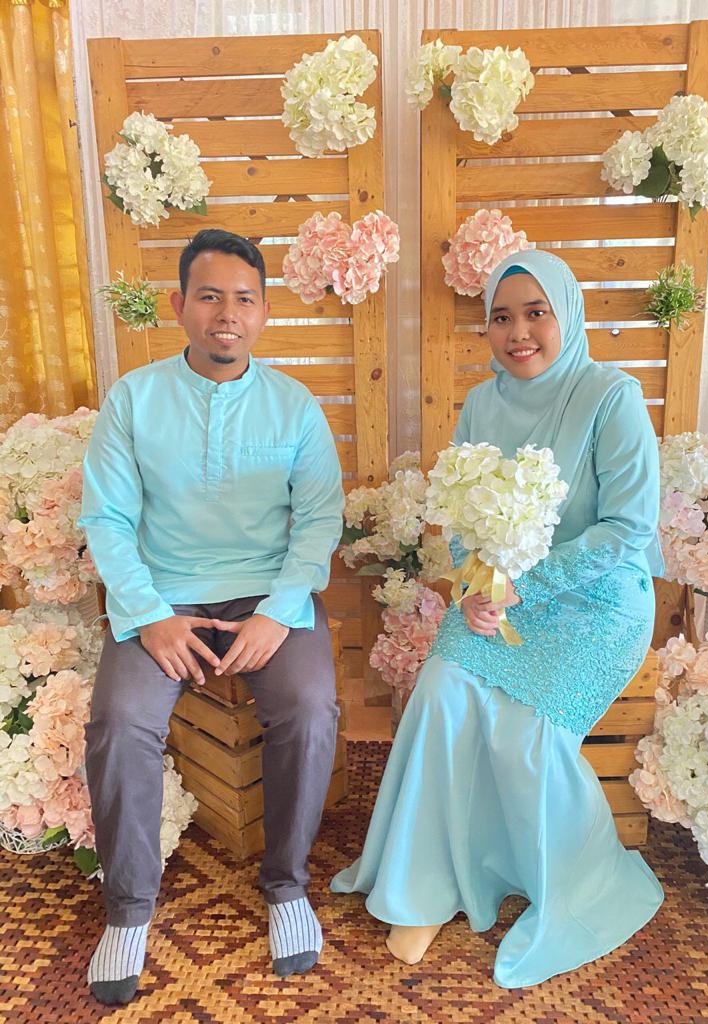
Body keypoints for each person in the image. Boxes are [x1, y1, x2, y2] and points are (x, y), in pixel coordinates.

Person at [331, 248, 664, 988]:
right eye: (502, 318)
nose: (518, 333)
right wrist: (473, 585)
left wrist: (525, 585)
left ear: (566, 314)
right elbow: (462, 517)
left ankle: (558, 881)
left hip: (598, 601)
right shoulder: (482, 404)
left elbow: (628, 529)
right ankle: (424, 886)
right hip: (496, 595)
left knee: (526, 734)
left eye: (536, 313)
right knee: (441, 691)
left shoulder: (611, 396)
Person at [80, 229, 344, 1005]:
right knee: (120, 719)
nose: (227, 314)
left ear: (263, 312)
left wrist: (279, 614)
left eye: (244, 299)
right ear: (179, 305)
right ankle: (128, 909)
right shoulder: (133, 399)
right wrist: (149, 616)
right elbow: (106, 519)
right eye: (209, 296)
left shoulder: (295, 406)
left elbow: (318, 523)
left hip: (269, 595)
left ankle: (286, 884)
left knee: (310, 707)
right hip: (162, 596)